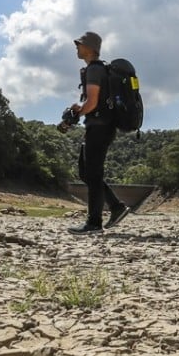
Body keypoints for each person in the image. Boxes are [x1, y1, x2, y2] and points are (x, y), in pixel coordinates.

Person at [66, 31, 131, 235]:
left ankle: (94, 223)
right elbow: (93, 101)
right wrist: (81, 110)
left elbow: (92, 102)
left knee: (93, 174)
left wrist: (78, 112)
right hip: (101, 126)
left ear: (90, 48)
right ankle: (116, 207)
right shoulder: (97, 70)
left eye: (80, 44)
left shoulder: (94, 70)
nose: (77, 46)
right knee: (86, 172)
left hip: (100, 127)